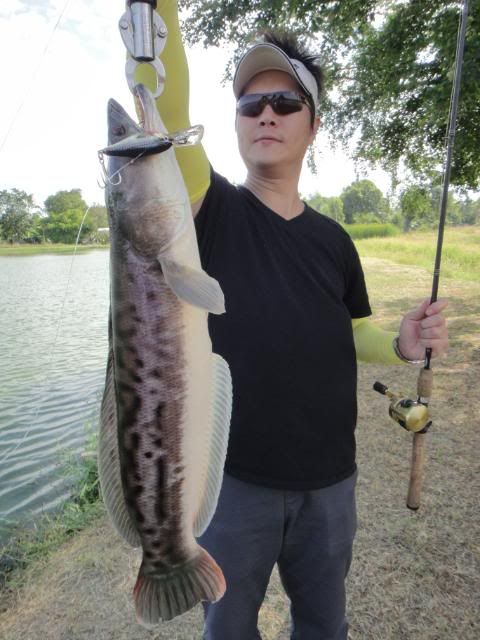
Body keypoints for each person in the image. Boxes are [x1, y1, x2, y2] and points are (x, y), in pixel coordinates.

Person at [138, 3, 449, 639]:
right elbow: (163, 115)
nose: (266, 114)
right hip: (232, 487)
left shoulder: (335, 240)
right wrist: (154, 16)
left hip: (331, 482)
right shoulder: (208, 210)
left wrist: (399, 342)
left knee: (324, 625)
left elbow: (352, 330)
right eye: (250, 105)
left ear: (313, 124)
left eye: (284, 102)